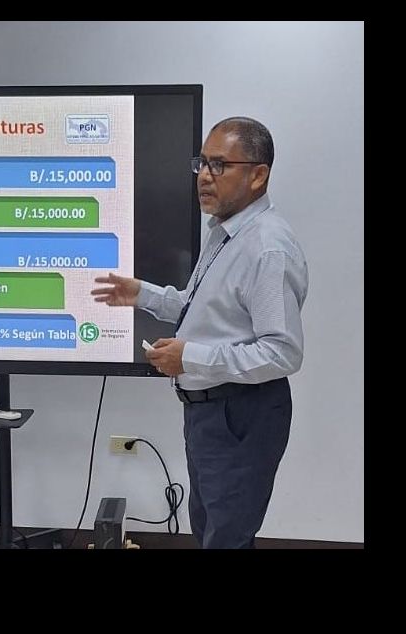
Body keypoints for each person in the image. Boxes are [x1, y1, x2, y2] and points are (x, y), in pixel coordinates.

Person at [91, 117, 308, 548]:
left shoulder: (267, 248)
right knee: (209, 529)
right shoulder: (225, 233)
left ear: (258, 175)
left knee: (226, 538)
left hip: (241, 412)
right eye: (202, 163)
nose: (205, 176)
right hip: (209, 411)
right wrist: (143, 294)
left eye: (220, 165)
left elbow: (282, 352)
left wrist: (189, 357)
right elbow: (201, 306)